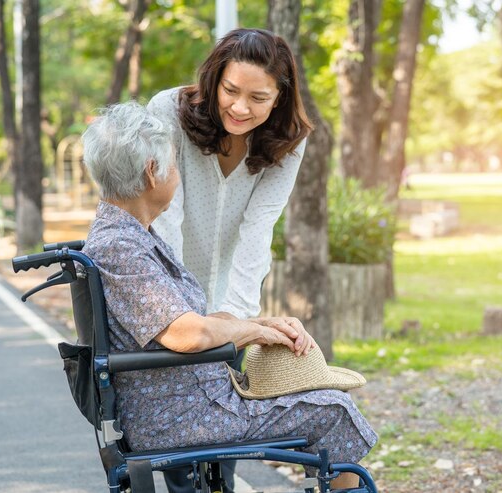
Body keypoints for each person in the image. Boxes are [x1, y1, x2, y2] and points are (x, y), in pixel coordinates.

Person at [80, 102, 377, 490]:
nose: (177, 175)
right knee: (333, 409)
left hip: (185, 402)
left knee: (324, 400)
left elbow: (188, 324)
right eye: (174, 165)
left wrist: (258, 323)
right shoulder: (121, 246)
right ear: (153, 173)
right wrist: (254, 335)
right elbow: (188, 335)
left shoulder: (130, 235)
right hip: (180, 414)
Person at [146, 27, 314, 492]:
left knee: (224, 418)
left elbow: (259, 229)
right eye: (231, 91)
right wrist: (186, 314)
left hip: (232, 295)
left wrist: (232, 316)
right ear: (214, 80)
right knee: (182, 430)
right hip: (171, 290)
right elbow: (164, 216)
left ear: (279, 99)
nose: (240, 108)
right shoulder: (168, 112)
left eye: (258, 97)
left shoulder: (289, 141)